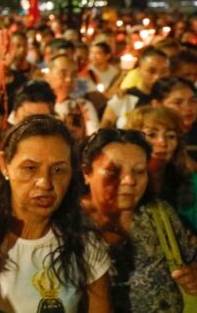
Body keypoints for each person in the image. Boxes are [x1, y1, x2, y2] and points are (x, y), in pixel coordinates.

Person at [0, 115, 111, 313]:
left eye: (58, 170)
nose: (45, 183)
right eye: (30, 168)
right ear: (5, 165)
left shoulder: (83, 238)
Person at [80, 128, 197, 312]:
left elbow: (190, 260)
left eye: (139, 171)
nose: (129, 180)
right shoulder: (68, 223)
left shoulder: (158, 214)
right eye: (113, 171)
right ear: (87, 173)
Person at [126, 106, 197, 232]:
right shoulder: (125, 182)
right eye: (152, 135)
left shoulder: (191, 182)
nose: (163, 142)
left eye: (170, 136)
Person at [102, 47, 169, 129]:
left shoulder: (170, 98)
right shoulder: (124, 97)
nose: (157, 77)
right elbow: (104, 127)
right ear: (139, 70)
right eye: (151, 71)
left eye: (164, 71)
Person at [151, 76, 197, 160]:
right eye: (178, 103)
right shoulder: (147, 136)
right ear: (157, 105)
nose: (189, 108)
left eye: (193, 101)